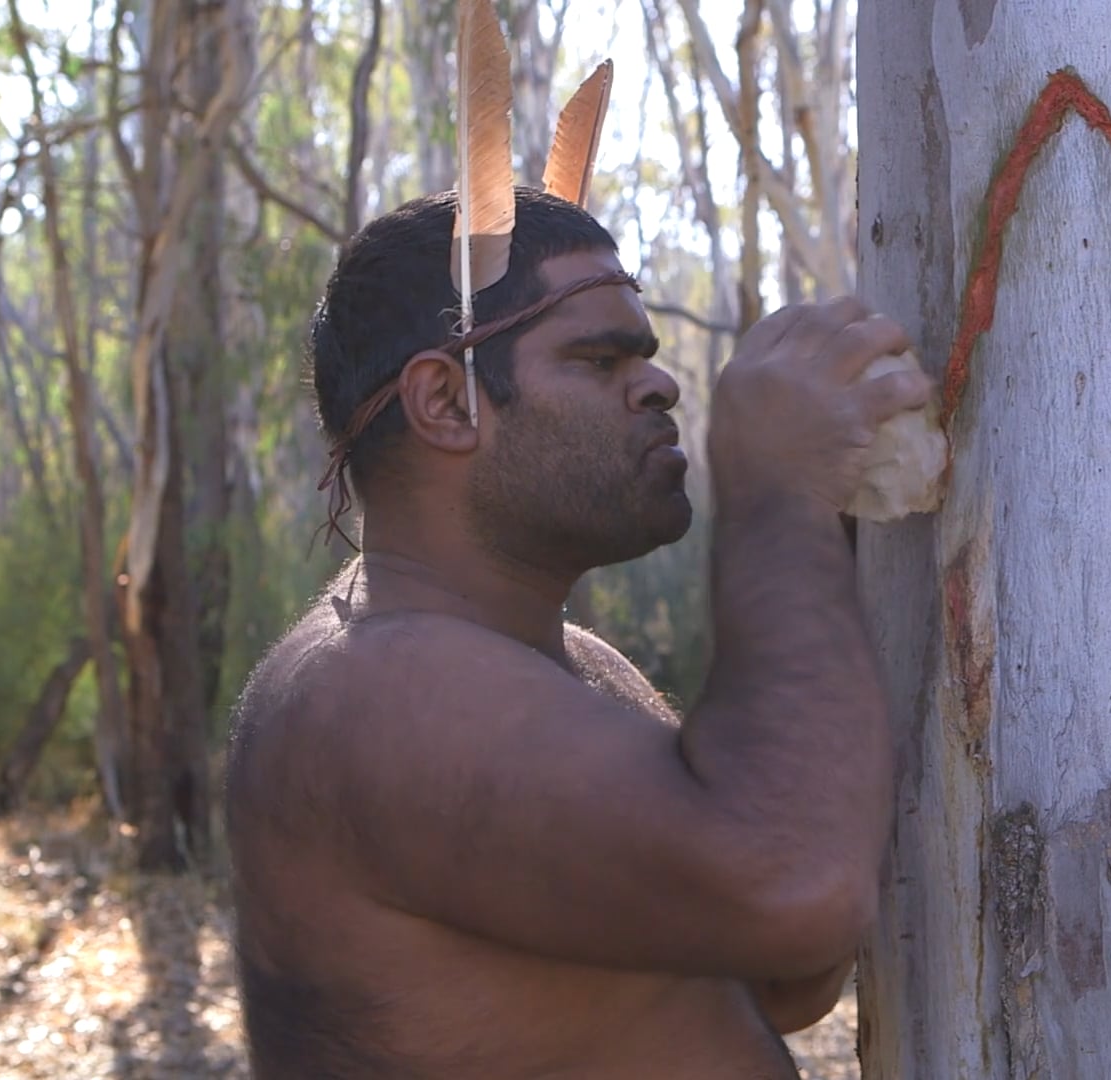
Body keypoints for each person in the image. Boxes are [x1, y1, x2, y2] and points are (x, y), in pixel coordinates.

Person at [223, 186, 933, 1078]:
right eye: (600, 360)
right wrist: (777, 492)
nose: (662, 383)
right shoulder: (370, 688)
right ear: (445, 402)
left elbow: (782, 973)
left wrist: (819, 544)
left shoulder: (570, 666)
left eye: (646, 355)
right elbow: (796, 890)